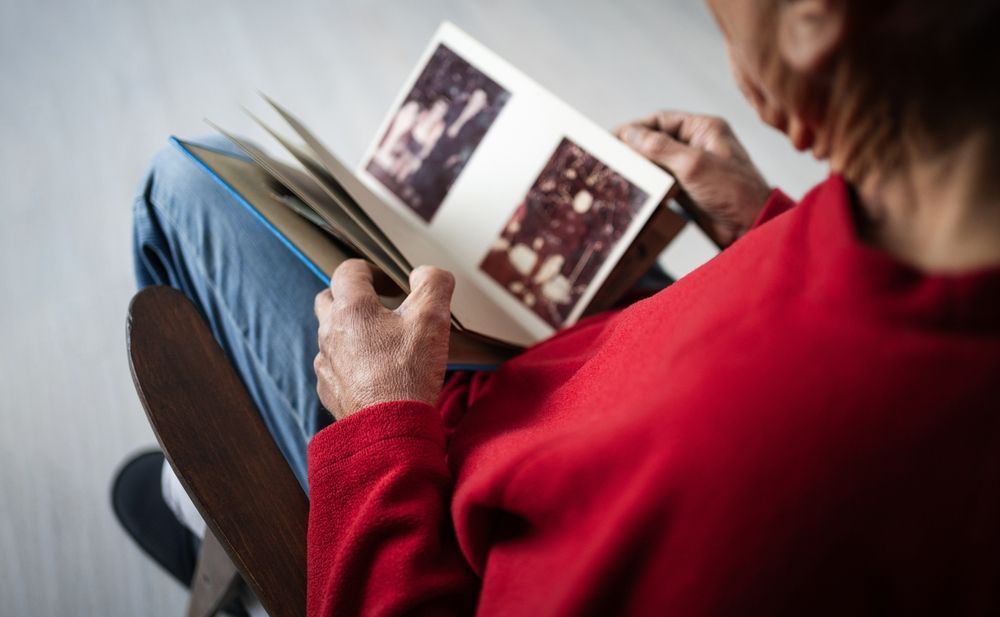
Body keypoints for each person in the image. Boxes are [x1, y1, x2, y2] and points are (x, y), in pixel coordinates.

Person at [121, 0, 1000, 614]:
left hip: (430, 478)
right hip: (582, 377)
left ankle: (230, 537)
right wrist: (769, 226)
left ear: (813, 19)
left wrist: (379, 424)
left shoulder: (749, 490)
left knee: (184, 182)